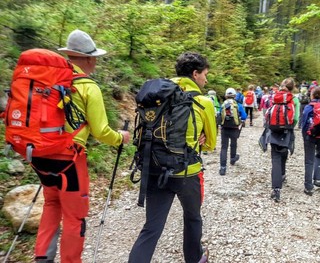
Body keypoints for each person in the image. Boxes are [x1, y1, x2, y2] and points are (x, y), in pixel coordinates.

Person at [30, 29, 131, 263]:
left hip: (39, 154)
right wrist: (120, 138)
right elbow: (101, 131)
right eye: (94, 57)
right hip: (70, 160)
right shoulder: (88, 86)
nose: (95, 61)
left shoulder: (49, 79)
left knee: (52, 204)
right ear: (87, 58)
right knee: (75, 216)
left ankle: (42, 257)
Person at [129, 52, 216, 263]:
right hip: (187, 173)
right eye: (205, 74)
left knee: (151, 227)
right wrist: (200, 138)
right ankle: (195, 259)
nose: (206, 79)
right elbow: (211, 144)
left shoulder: (156, 96)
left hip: (155, 167)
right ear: (195, 74)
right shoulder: (204, 102)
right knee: (193, 218)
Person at [264, 77, 300, 202]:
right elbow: (296, 118)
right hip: (286, 130)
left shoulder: (275, 97)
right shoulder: (294, 99)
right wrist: (289, 127)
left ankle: (276, 189)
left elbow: (267, 113)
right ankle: (283, 174)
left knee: (275, 158)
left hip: (273, 130)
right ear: (293, 87)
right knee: (283, 152)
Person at [219, 88, 247, 175]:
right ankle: (232, 159)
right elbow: (244, 116)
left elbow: (220, 115)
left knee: (224, 147)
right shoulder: (238, 105)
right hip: (234, 128)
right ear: (235, 96)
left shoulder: (223, 105)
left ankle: (223, 168)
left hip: (224, 128)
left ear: (226, 96)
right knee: (233, 143)